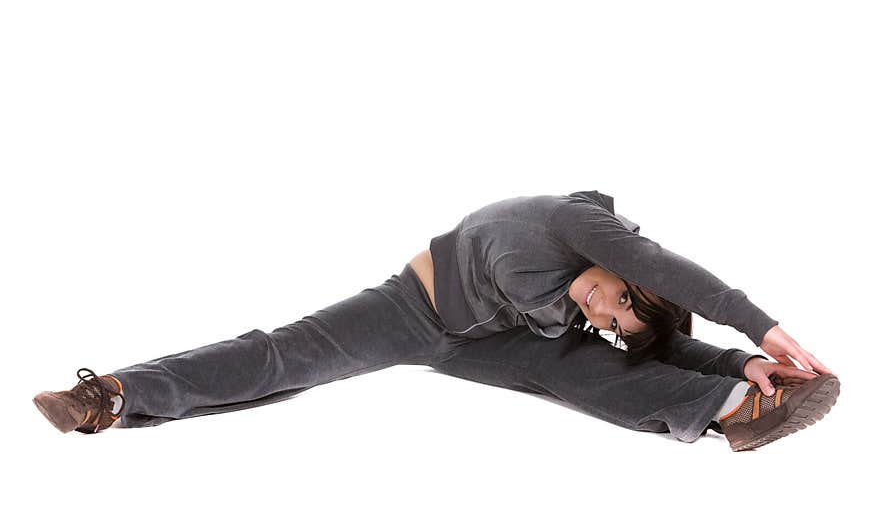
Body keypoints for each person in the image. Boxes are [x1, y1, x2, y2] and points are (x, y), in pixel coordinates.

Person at [32, 190, 839, 451]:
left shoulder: (581, 304)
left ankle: (739, 406)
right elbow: (668, 278)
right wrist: (761, 327)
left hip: (498, 337)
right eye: (623, 293)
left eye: (622, 312)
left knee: (591, 369)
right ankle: (114, 393)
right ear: (630, 266)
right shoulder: (580, 227)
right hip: (413, 311)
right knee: (281, 358)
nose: (610, 303)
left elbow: (650, 331)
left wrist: (738, 362)